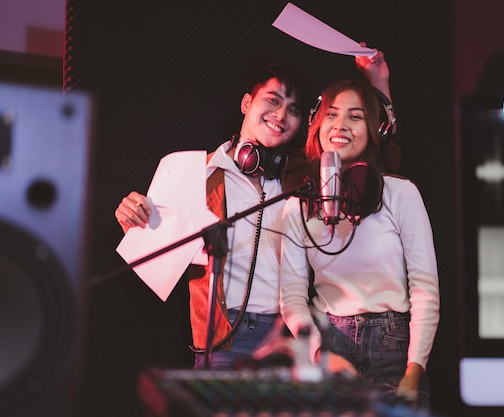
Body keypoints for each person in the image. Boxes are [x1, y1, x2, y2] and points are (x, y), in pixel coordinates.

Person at [115, 52, 401, 370]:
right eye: (273, 100)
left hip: (287, 338)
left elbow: (373, 164)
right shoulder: (196, 173)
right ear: (246, 103)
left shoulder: (307, 175)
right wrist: (134, 217)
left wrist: (379, 82)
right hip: (222, 340)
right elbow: (156, 246)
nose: (281, 114)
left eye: (293, 109)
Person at [278, 78, 440, 408]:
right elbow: (293, 296)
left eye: (355, 116)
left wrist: (413, 369)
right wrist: (319, 354)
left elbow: (424, 287)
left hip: (394, 346)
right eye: (332, 115)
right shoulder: (296, 205)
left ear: (374, 129)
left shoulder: (401, 194)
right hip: (329, 341)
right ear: (317, 123)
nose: (340, 126)